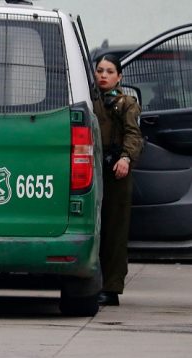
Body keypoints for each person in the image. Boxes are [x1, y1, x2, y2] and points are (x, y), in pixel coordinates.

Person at [93, 54, 143, 306]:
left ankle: (111, 288)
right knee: (95, 228)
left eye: (109, 71)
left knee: (115, 230)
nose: (103, 75)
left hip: (116, 171)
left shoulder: (126, 104)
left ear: (119, 76)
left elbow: (135, 136)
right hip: (94, 170)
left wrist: (125, 158)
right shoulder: (90, 101)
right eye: (99, 70)